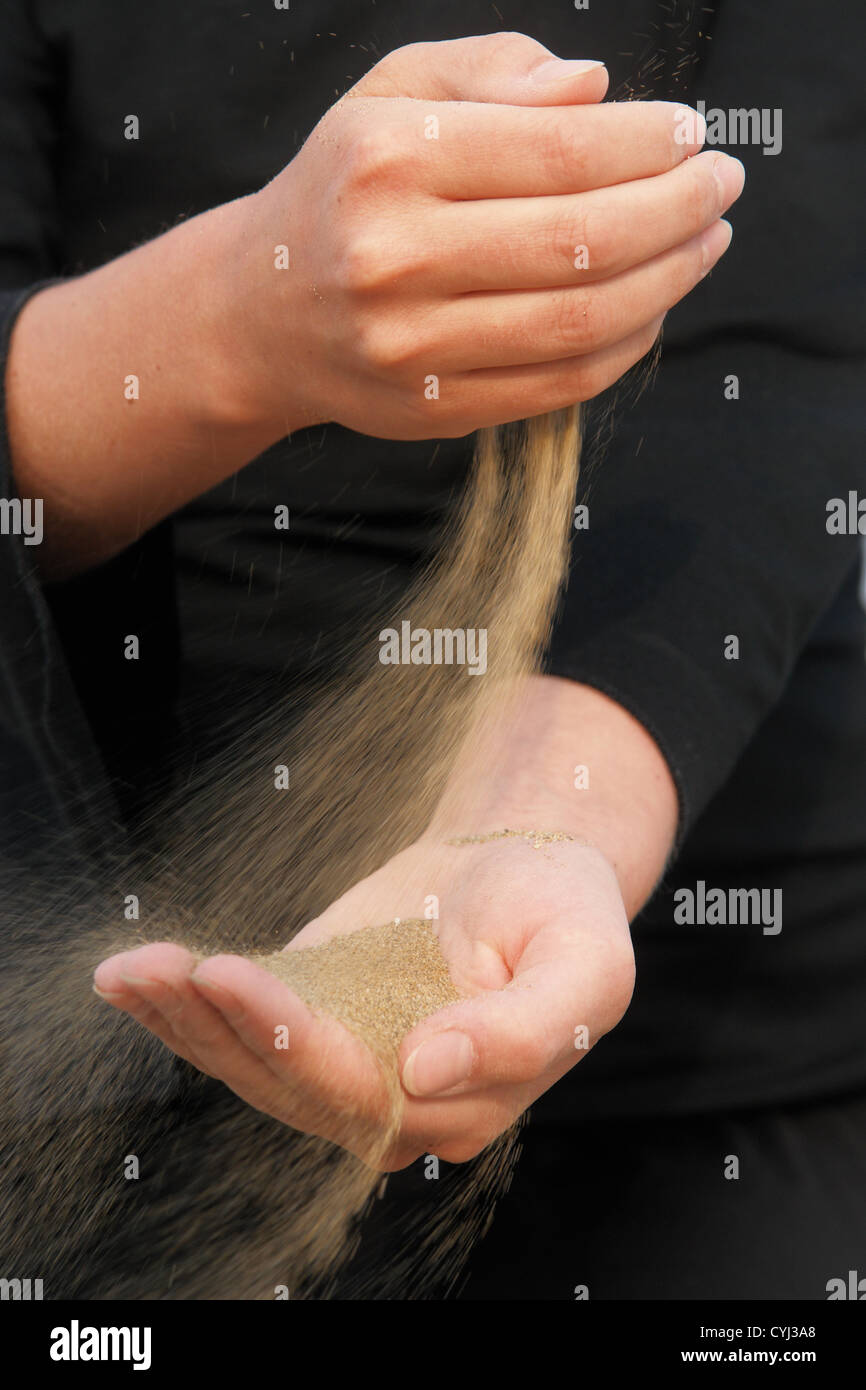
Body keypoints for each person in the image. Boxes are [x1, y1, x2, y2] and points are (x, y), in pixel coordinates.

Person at [1, 2, 864, 1299]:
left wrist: (530, 832)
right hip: (120, 984)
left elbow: (767, 363)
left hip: (707, 1043)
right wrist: (232, 324)